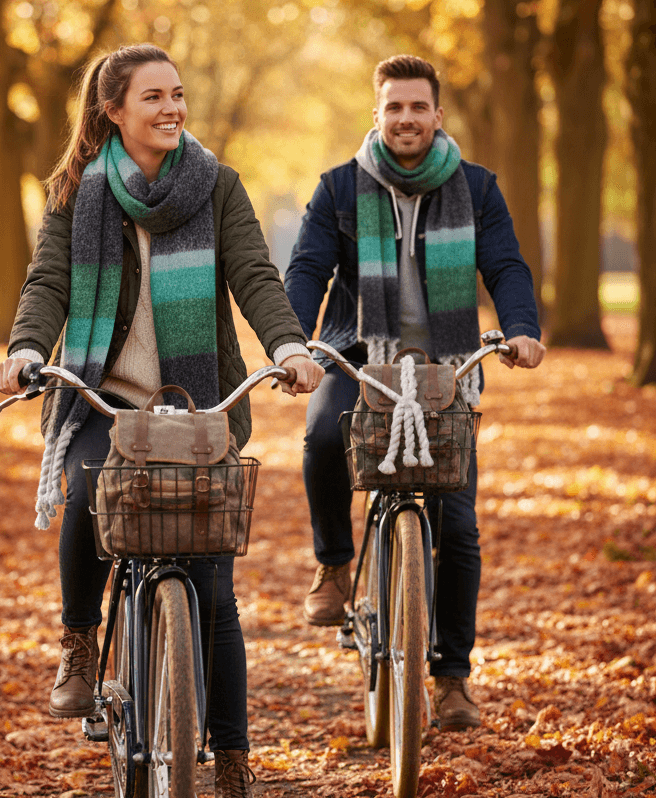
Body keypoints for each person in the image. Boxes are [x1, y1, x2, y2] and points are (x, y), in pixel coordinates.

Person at [0, 43, 324, 798]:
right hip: (102, 399)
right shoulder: (79, 191)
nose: (173, 107)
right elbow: (49, 280)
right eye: (153, 97)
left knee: (212, 591)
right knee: (85, 487)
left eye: (177, 94)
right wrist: (25, 348)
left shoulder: (216, 186)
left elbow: (254, 275)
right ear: (113, 109)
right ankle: (79, 641)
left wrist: (287, 346)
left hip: (197, 402)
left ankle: (232, 761)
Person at [284, 54, 545, 731]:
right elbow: (307, 268)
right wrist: (292, 344)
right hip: (357, 360)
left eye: (416, 107)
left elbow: (507, 265)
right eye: (393, 107)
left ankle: (452, 677)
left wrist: (519, 330)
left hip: (448, 365)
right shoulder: (338, 188)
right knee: (319, 435)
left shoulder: (476, 187)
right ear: (376, 115)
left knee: (456, 528)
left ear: (437, 115)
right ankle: (335, 566)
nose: (405, 118)